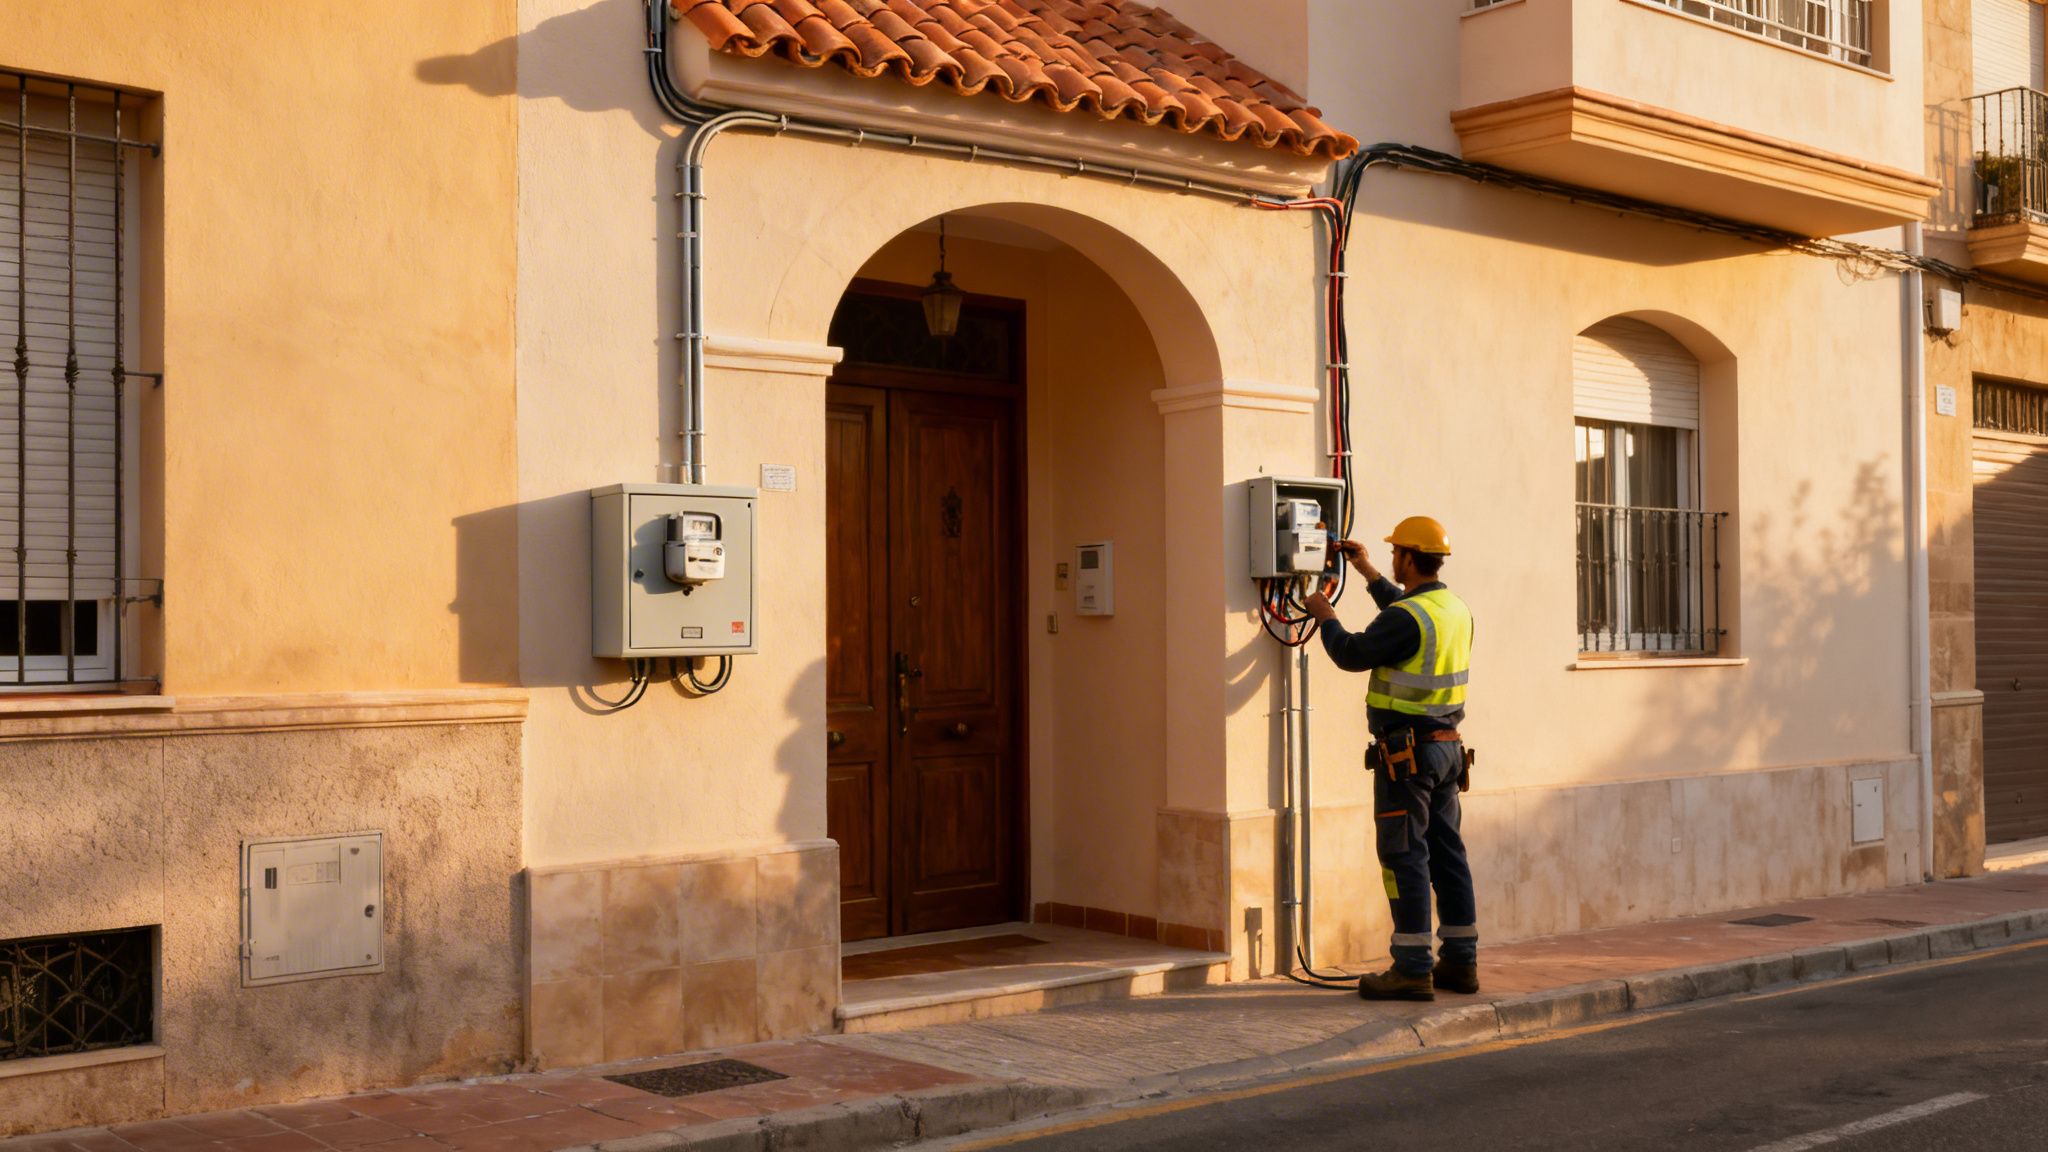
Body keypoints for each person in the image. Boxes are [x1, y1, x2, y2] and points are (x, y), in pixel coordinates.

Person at [1303, 516, 1477, 1001]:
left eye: (1396, 553)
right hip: (1447, 751)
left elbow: (1353, 653)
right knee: (1448, 854)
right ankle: (1461, 962)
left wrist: (1325, 617)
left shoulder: (1407, 617)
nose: (1392, 558)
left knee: (1404, 857)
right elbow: (1405, 619)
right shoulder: (1452, 608)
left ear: (1409, 558)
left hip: (1407, 756)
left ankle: (1412, 967)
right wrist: (1367, 571)